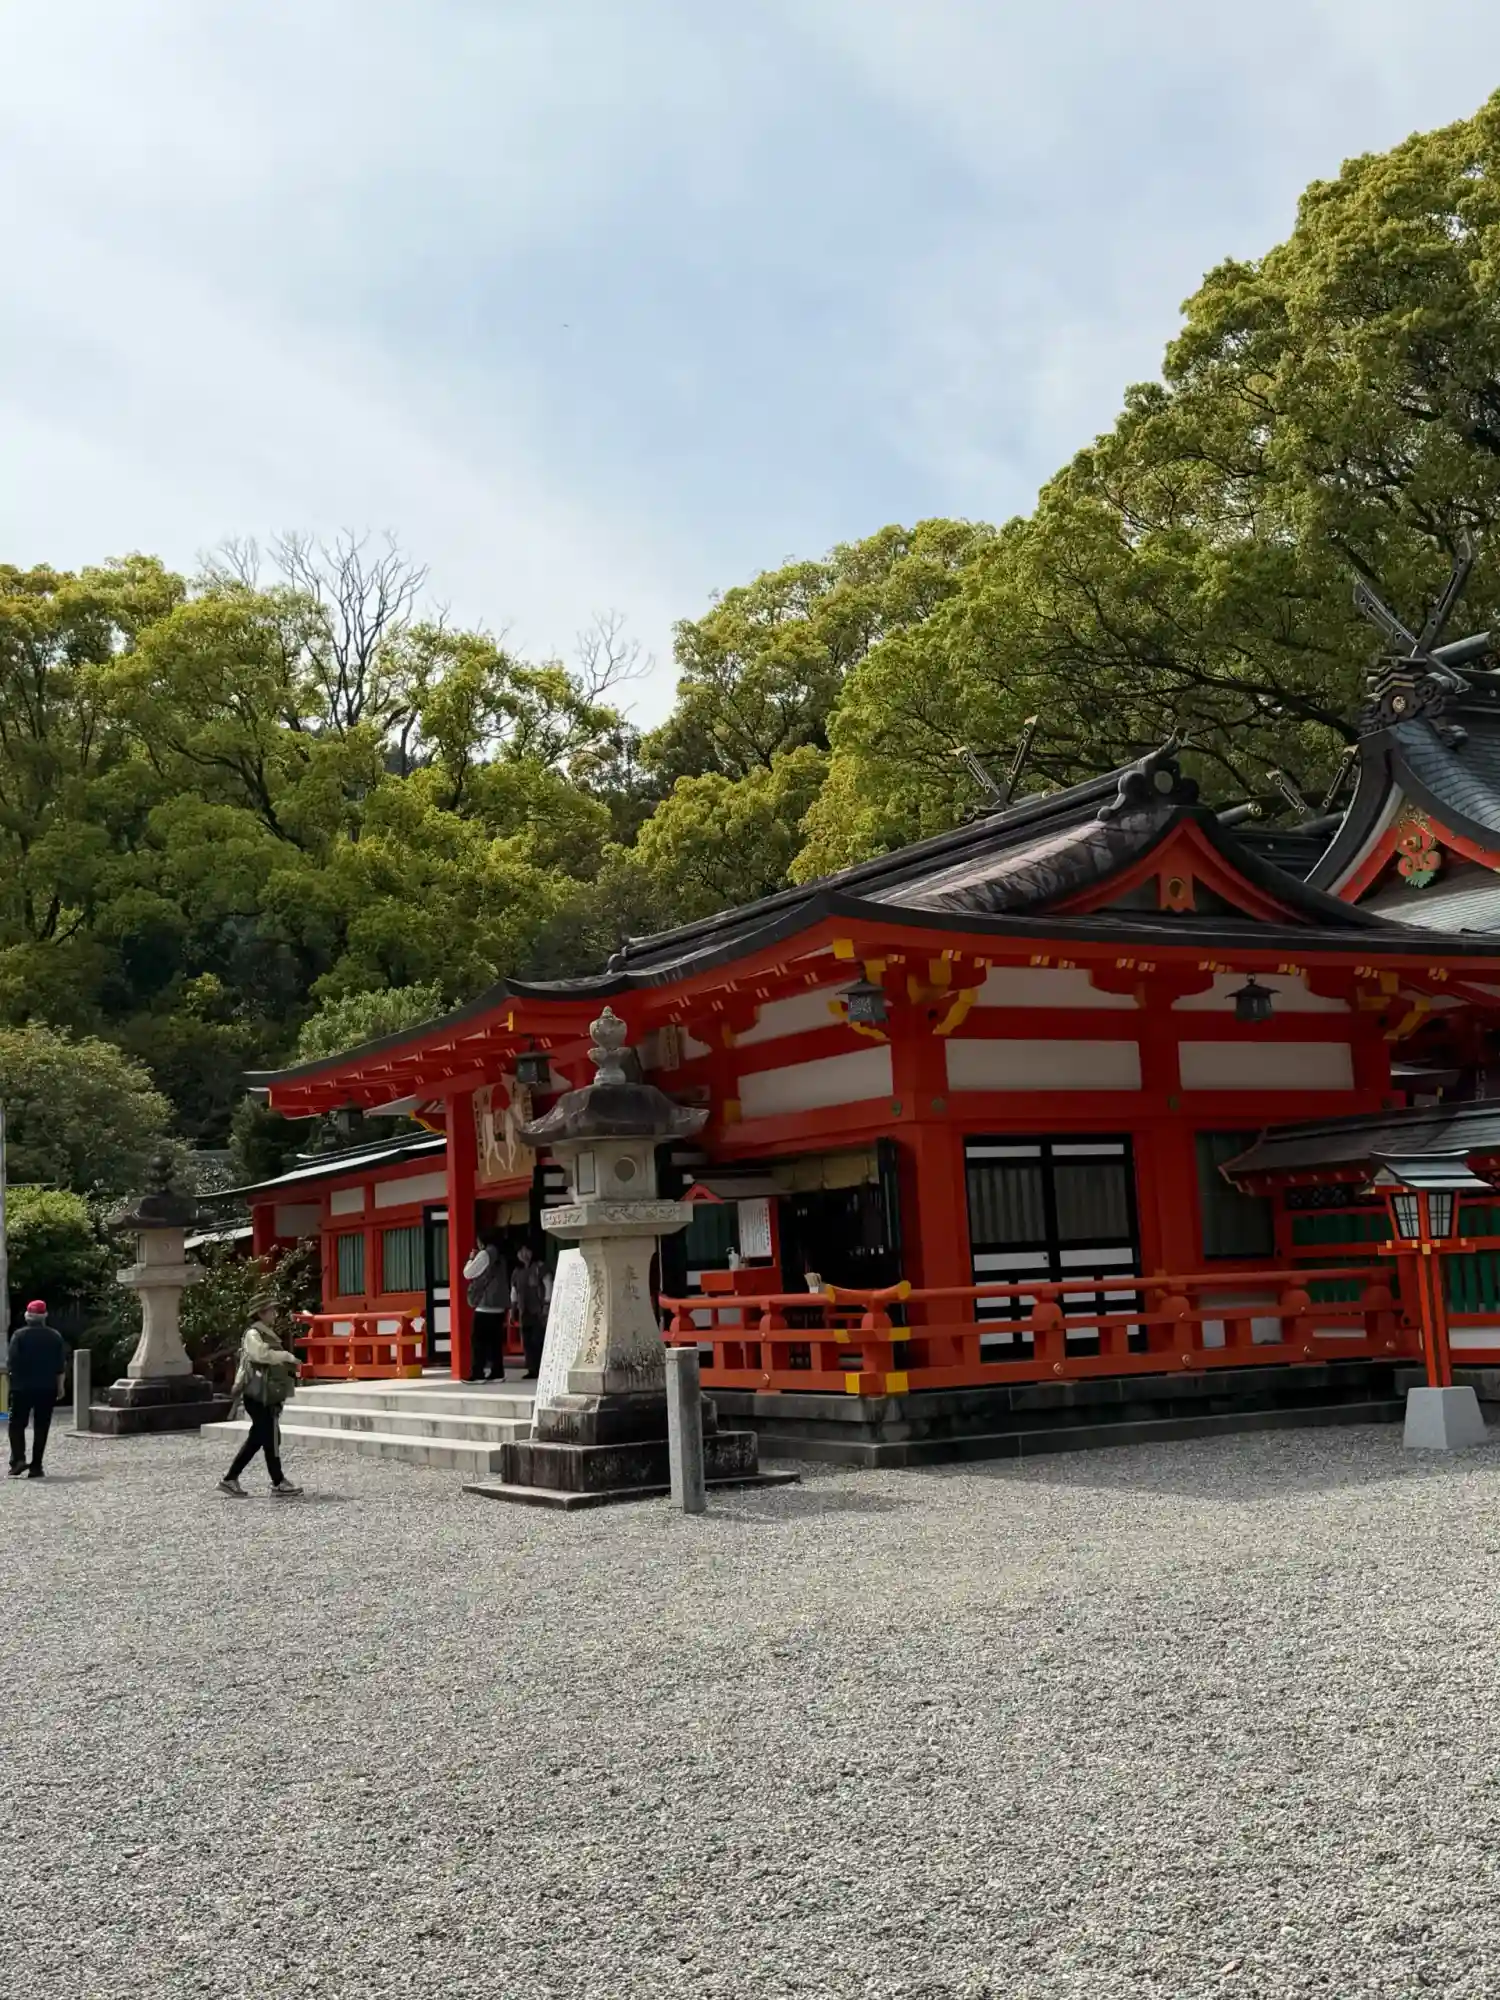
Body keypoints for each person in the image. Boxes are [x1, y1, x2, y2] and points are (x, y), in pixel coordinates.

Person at [219, 1303, 303, 1497]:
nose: (275, 1313)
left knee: (260, 1438)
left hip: (266, 1394)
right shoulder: (253, 1334)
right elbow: (262, 1355)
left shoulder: (264, 1333)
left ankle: (231, 1479)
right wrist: (286, 1356)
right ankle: (278, 1482)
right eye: (271, 1310)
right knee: (270, 1437)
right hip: (259, 1395)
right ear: (261, 1313)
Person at [7, 1300, 67, 1480]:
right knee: (41, 1426)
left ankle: (18, 1459)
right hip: (47, 1387)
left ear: (27, 1316)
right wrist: (60, 1386)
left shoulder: (19, 1335)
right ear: (44, 1316)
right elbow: (60, 1365)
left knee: (16, 1424)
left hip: (21, 1387)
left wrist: (12, 1382)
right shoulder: (55, 1336)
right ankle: (36, 1466)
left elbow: (12, 1362)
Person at [464, 1231, 510, 1382]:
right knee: (495, 1342)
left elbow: (468, 1273)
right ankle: (497, 1372)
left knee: (478, 1341)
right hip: (499, 1305)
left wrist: (471, 1258)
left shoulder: (486, 1253)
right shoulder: (501, 1255)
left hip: (486, 1304)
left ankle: (478, 1373)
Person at [512, 1243, 550, 1380]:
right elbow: (514, 1292)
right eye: (520, 1251)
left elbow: (548, 1285)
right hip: (524, 1310)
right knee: (527, 1341)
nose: (524, 1254)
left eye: (526, 1250)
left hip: (538, 1310)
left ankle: (541, 1367)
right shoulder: (517, 1272)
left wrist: (547, 1304)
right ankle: (531, 1368)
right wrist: (513, 1309)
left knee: (538, 1339)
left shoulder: (540, 1268)